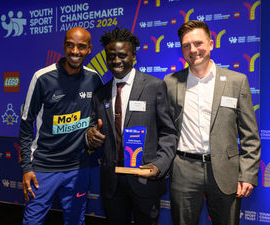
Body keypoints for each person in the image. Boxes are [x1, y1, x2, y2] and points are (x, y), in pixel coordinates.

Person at [164, 20, 261, 225]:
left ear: (211, 43)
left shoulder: (237, 81)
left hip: (226, 170)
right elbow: (165, 129)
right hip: (184, 171)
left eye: (198, 43)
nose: (193, 50)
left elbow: (250, 135)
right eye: (186, 45)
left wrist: (248, 174)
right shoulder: (170, 82)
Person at [86, 27, 177, 225]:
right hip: (112, 182)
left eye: (122, 55)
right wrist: (91, 136)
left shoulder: (154, 86)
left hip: (145, 178)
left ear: (134, 56)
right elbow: (93, 128)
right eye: (111, 56)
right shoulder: (99, 93)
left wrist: (159, 165)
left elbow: (168, 133)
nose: (116, 61)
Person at [19, 27, 103, 225]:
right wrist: (26, 167)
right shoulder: (42, 77)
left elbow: (96, 117)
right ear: (63, 46)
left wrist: (93, 132)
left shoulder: (94, 78)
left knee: (75, 221)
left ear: (89, 49)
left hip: (78, 168)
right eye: (70, 45)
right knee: (32, 222)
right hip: (43, 167)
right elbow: (25, 125)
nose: (75, 51)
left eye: (81, 47)